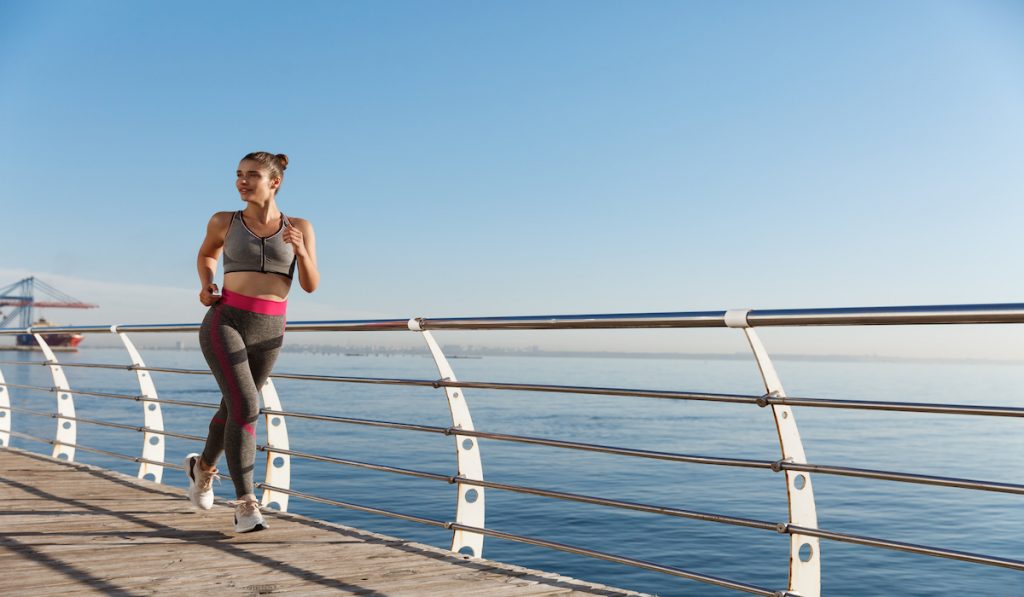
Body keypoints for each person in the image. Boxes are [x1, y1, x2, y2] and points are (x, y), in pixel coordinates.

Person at [184, 151, 319, 532]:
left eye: (252, 176)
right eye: (238, 175)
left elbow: (310, 284)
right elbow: (207, 253)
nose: (242, 182)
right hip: (225, 320)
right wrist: (206, 284)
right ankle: (246, 503)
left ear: (274, 182)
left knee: (234, 407)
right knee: (246, 404)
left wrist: (302, 250)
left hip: (271, 330)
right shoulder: (224, 220)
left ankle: (202, 467)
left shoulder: (300, 226)